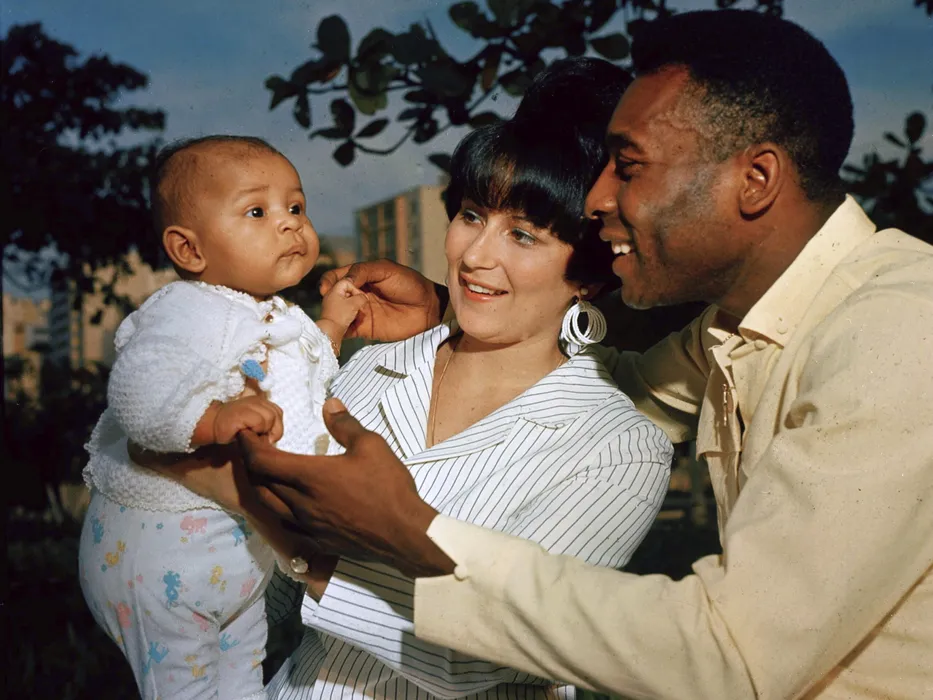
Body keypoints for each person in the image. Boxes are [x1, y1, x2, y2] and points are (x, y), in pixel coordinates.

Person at [236, 10, 933, 700]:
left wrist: (407, 529)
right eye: (472, 215)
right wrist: (455, 310)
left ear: (755, 179)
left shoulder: (900, 330)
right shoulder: (735, 331)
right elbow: (595, 381)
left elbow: (731, 654)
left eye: (628, 168)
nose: (597, 199)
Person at [151, 59, 674, 700]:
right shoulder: (373, 368)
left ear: (587, 275)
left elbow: (482, 659)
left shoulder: (618, 448)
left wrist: (267, 514)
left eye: (523, 235)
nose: (475, 255)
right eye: (472, 215)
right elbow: (264, 594)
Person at [77, 135, 364, 700]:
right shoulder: (186, 311)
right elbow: (139, 390)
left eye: (296, 206)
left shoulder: (271, 312)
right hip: (162, 556)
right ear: (188, 250)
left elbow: (299, 375)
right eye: (258, 211)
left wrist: (331, 326)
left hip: (231, 558)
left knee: (241, 677)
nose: (289, 223)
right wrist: (214, 418)